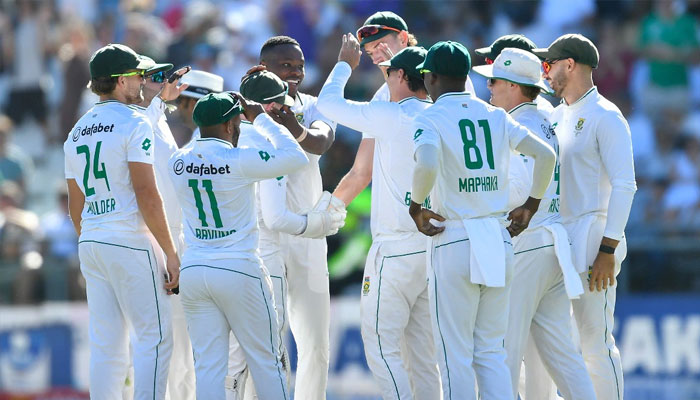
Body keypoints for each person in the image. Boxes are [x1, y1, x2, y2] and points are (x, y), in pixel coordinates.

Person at [408, 41, 556, 400]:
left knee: (455, 355)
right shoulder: (496, 115)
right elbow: (546, 155)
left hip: (455, 236)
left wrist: (415, 205)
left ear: (432, 78)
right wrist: (532, 204)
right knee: (491, 352)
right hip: (496, 235)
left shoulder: (430, 116)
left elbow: (426, 162)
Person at [317, 35, 440, 399]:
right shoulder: (439, 114)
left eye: (390, 73)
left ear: (401, 76)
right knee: (423, 354)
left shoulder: (392, 115)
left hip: (396, 249)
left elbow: (327, 104)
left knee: (380, 343)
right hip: (434, 249)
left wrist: (344, 64)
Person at [473, 48, 596, 400]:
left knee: (502, 350)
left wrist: (476, 198)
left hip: (526, 245)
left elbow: (521, 188)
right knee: (563, 355)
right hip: (552, 244)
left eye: (495, 81)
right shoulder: (544, 118)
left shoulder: (517, 125)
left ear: (514, 86)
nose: (489, 87)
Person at [169, 92, 307, 399]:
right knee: (267, 361)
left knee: (208, 367)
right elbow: (296, 156)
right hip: (238, 268)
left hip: (195, 269)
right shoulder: (239, 159)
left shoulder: (177, 161)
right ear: (230, 125)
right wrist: (262, 118)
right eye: (238, 122)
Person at [63, 43, 180, 399]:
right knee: (154, 338)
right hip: (129, 239)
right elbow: (147, 193)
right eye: (137, 75)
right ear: (120, 80)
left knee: (107, 346)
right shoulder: (134, 122)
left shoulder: (76, 131)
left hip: (92, 240)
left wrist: (95, 236)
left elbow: (75, 205)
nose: (143, 81)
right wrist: (170, 252)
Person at [226, 70, 345, 400]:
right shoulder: (267, 141)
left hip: (229, 252)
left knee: (235, 355)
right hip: (266, 249)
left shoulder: (220, 138)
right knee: (269, 348)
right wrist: (318, 224)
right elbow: (275, 217)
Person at [533, 33, 637, 400]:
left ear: (570, 65)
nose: (545, 73)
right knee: (561, 344)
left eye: (549, 65)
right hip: (560, 239)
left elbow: (625, 185)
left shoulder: (606, 116)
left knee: (595, 342)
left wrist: (607, 249)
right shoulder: (556, 115)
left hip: (594, 237)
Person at [256, 35, 338, 399]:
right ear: (264, 68)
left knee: (315, 343)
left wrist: (292, 124)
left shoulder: (314, 105)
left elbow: (322, 141)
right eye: (285, 65)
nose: (295, 73)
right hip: (264, 236)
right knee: (266, 341)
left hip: (308, 234)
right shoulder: (244, 108)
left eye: (299, 66)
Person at [332, 11, 475, 207]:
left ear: (403, 38)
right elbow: (361, 172)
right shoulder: (381, 98)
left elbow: (463, 139)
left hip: (444, 212)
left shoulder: (447, 75)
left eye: (380, 46)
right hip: (401, 217)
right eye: (370, 53)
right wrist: (325, 212)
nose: (376, 58)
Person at [136, 59, 195, 400]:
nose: (163, 82)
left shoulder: (156, 118)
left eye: (163, 76)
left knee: (180, 344)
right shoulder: (137, 120)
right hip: (157, 242)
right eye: (154, 77)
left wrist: (160, 100)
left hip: (173, 238)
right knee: (165, 341)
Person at [174, 70, 225, 146]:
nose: (178, 107)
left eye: (179, 100)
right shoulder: (224, 138)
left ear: (194, 105)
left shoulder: (194, 147)